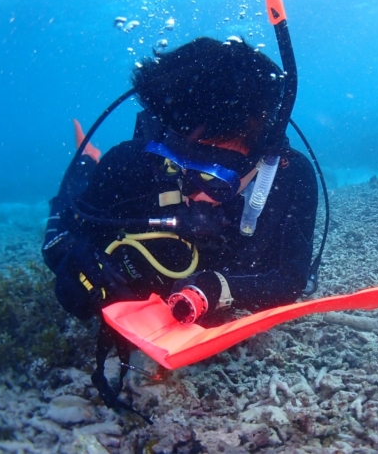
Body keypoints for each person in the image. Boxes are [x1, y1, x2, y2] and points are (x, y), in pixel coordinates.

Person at [41, 38, 318, 406]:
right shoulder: (132, 163)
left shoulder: (290, 178)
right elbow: (61, 236)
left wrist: (216, 289)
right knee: (88, 181)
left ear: (261, 160)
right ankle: (86, 158)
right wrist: (79, 265)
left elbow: (290, 280)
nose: (190, 193)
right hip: (116, 177)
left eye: (212, 179)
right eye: (174, 167)